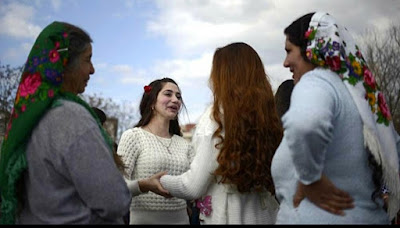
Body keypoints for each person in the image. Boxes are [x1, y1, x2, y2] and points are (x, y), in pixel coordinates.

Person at [271, 12, 400, 224]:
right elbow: (394, 151)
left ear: (311, 50)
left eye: (289, 51)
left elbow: (306, 124)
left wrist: (310, 178)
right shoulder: (364, 100)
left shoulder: (318, 82)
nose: (285, 63)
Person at [0, 21, 131, 224]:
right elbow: (115, 201)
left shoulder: (29, 115)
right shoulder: (70, 117)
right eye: (88, 60)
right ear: (65, 63)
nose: (93, 69)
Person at [158, 42, 283, 224]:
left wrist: (162, 181)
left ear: (224, 76)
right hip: (267, 215)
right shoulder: (268, 118)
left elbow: (193, 187)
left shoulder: (214, 118)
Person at [116, 77, 195, 224]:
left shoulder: (185, 144)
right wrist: (143, 185)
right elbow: (117, 185)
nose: (175, 100)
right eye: (168, 94)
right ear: (152, 101)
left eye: (178, 96)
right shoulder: (133, 136)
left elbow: (195, 183)